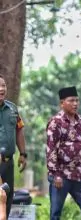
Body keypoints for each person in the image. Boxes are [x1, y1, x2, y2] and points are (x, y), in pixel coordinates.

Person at [46, 86, 81, 220]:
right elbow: (51, 149)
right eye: (71, 100)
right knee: (56, 214)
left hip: (80, 175)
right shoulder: (56, 122)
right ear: (62, 103)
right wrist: (56, 174)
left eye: (77, 100)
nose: (75, 104)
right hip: (61, 176)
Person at [0, 74, 27, 217]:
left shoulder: (12, 108)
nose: (1, 89)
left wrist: (23, 154)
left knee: (7, 199)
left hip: (8, 164)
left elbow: (19, 129)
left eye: (3, 85)